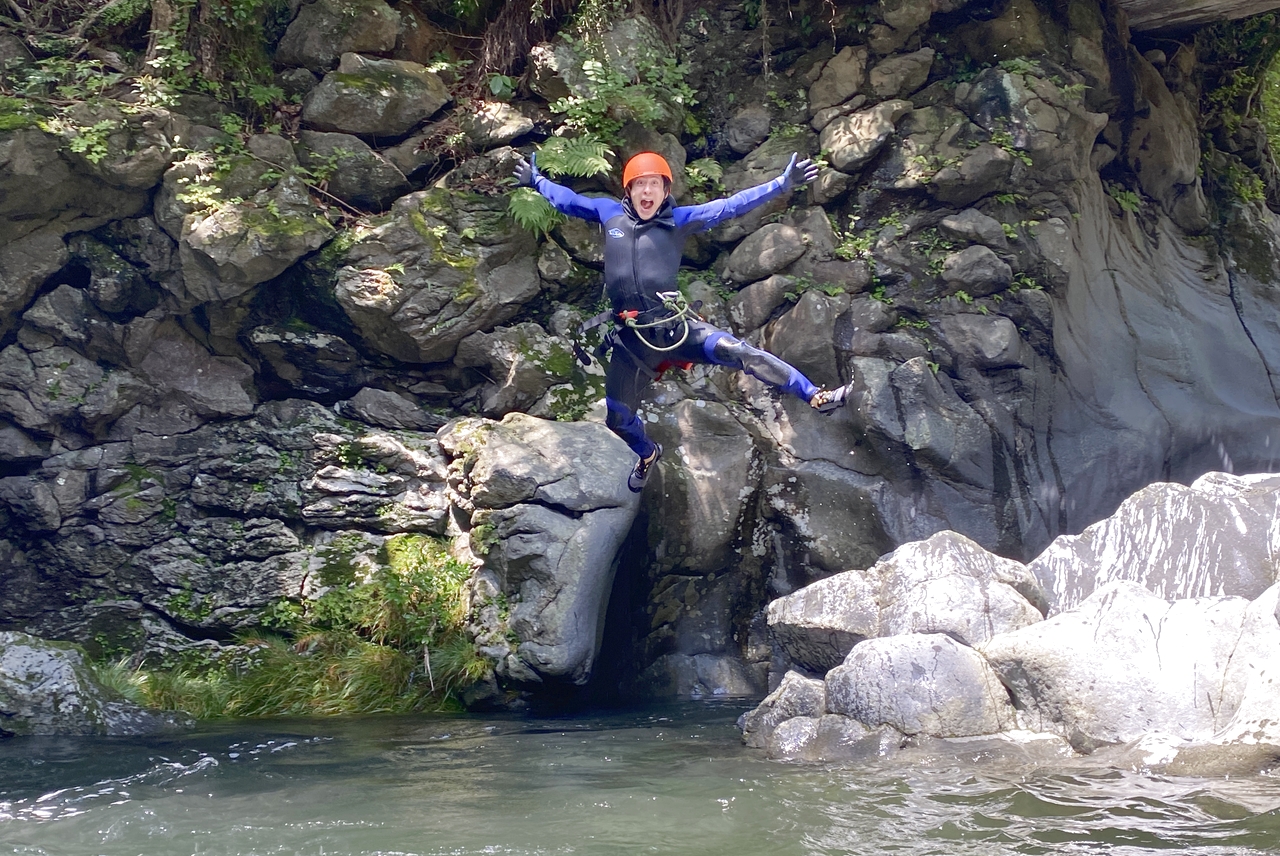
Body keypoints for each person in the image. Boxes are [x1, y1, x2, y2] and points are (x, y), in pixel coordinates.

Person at [512, 149, 853, 492]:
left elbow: (731, 205)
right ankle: (648, 454)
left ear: (665, 190)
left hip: (676, 328)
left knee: (741, 352)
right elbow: (568, 201)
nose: (647, 192)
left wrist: (781, 184)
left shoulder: (680, 220)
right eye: (640, 185)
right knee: (618, 418)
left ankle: (814, 396)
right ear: (629, 190)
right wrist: (538, 181)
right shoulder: (608, 212)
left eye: (654, 185)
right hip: (632, 342)